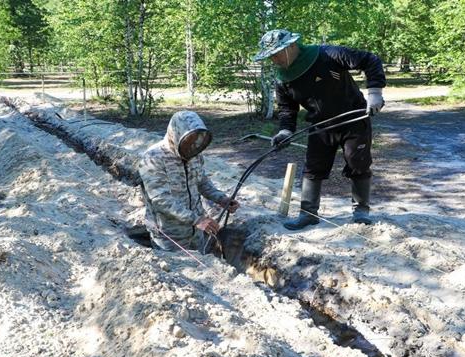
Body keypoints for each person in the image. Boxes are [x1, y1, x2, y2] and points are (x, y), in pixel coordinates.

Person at [253, 29, 386, 229]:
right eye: (270, 56)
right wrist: (285, 131)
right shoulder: (283, 79)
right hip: (320, 126)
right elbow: (287, 109)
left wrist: (375, 92)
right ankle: (308, 214)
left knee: (358, 162)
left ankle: (361, 211)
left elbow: (369, 60)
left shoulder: (327, 54)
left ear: (290, 47)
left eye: (276, 54)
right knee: (313, 167)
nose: (274, 60)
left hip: (353, 119)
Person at [138, 111, 240, 251]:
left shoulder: (194, 155)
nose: (193, 146)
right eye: (189, 141)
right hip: (169, 236)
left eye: (197, 140)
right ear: (175, 135)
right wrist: (196, 220)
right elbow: (161, 200)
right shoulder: (153, 159)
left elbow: (202, 182)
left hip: (197, 233)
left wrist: (221, 199)